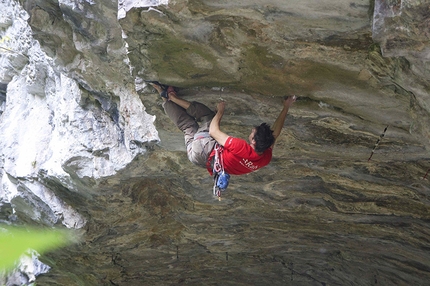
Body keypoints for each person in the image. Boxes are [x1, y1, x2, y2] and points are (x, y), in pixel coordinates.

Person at [148, 82, 296, 177]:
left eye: (253, 132)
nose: (251, 130)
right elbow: (275, 133)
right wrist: (286, 107)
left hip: (204, 148)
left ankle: (172, 97)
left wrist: (220, 112)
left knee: (209, 117)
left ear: (253, 142)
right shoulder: (264, 158)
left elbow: (213, 131)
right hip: (196, 158)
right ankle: (163, 96)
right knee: (188, 127)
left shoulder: (242, 147)